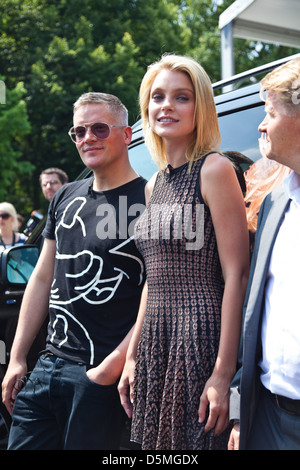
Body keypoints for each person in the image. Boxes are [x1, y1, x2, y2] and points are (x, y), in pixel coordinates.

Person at [118, 54, 249, 450]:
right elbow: (152, 278)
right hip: (157, 337)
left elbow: (236, 275)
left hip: (199, 336)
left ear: (201, 107)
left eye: (182, 97)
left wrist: (224, 374)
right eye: (157, 97)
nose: (166, 106)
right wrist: (132, 354)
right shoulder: (153, 182)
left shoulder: (214, 169)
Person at [2, 92, 147, 450]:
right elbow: (40, 277)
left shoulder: (150, 198)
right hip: (46, 366)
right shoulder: (65, 196)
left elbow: (159, 289)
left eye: (99, 128)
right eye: (78, 131)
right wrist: (18, 357)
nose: (87, 138)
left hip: (101, 376)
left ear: (127, 135)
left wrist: (109, 370)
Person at [228, 57, 300, 450]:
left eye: (270, 112)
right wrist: (241, 412)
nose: (260, 125)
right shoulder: (274, 202)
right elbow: (255, 312)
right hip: (268, 419)